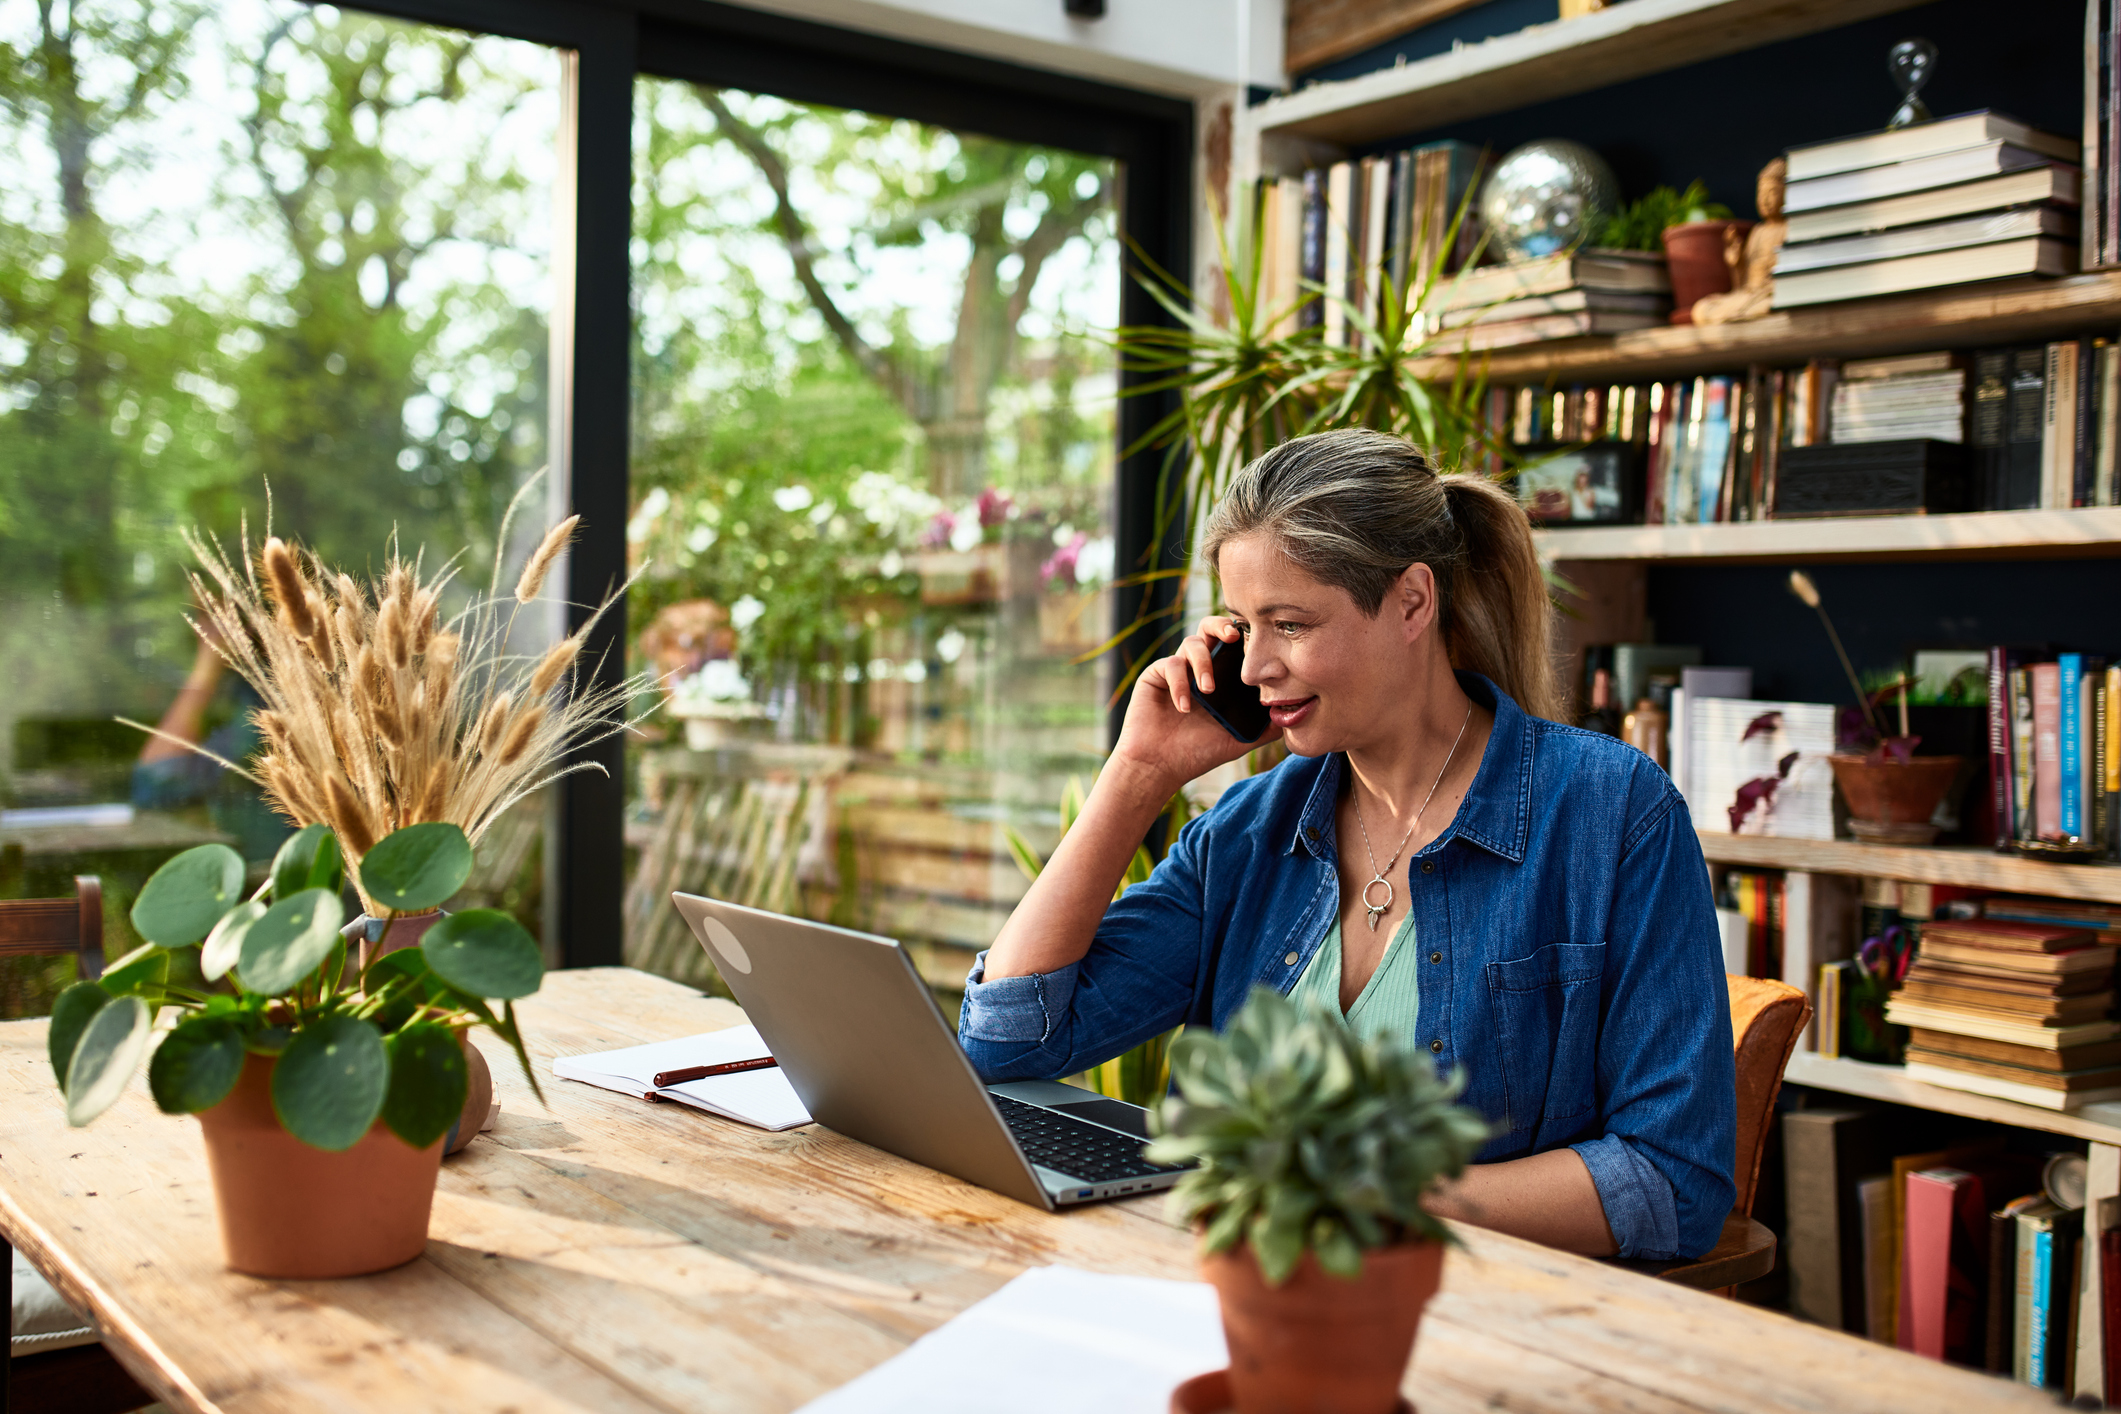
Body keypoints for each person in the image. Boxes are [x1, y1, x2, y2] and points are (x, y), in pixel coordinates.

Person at [957, 429, 1735, 1261]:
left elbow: (1668, 1182)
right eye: (1240, 627)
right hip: (1226, 1298)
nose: (1253, 667)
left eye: (1288, 624)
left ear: (1410, 602)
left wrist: (1369, 1195)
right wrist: (1138, 771)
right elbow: (1006, 1042)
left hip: (1472, 1324)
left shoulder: (1608, 812)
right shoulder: (1248, 831)